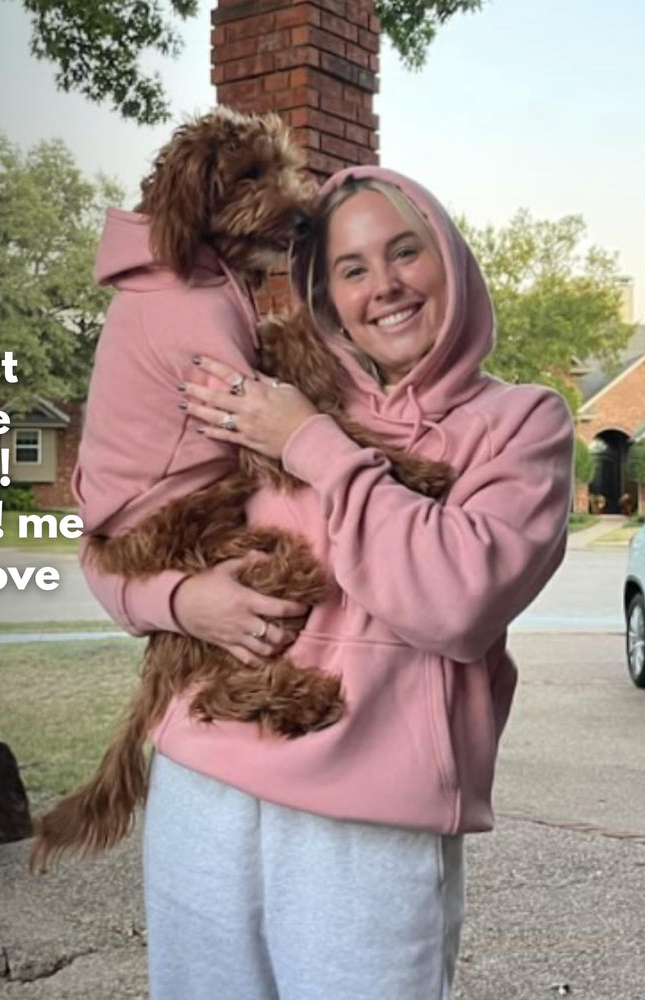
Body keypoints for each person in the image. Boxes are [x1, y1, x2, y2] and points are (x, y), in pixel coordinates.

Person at [76, 165, 575, 999]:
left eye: (404, 252)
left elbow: (454, 603)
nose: (384, 286)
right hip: (203, 780)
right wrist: (177, 600)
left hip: (370, 814)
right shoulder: (265, 382)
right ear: (324, 290)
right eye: (351, 268)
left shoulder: (522, 423)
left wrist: (311, 441)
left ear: (449, 258)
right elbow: (120, 528)